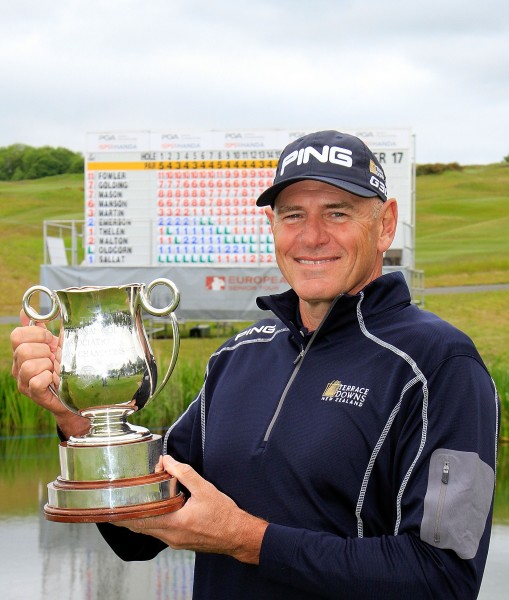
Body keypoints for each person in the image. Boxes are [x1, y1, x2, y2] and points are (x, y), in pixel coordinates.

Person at [11, 130, 499, 599]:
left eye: (337, 213)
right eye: (292, 215)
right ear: (272, 227)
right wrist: (79, 419)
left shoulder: (441, 365)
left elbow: (444, 578)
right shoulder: (237, 356)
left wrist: (248, 539)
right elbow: (137, 536)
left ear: (385, 224)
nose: (311, 236)